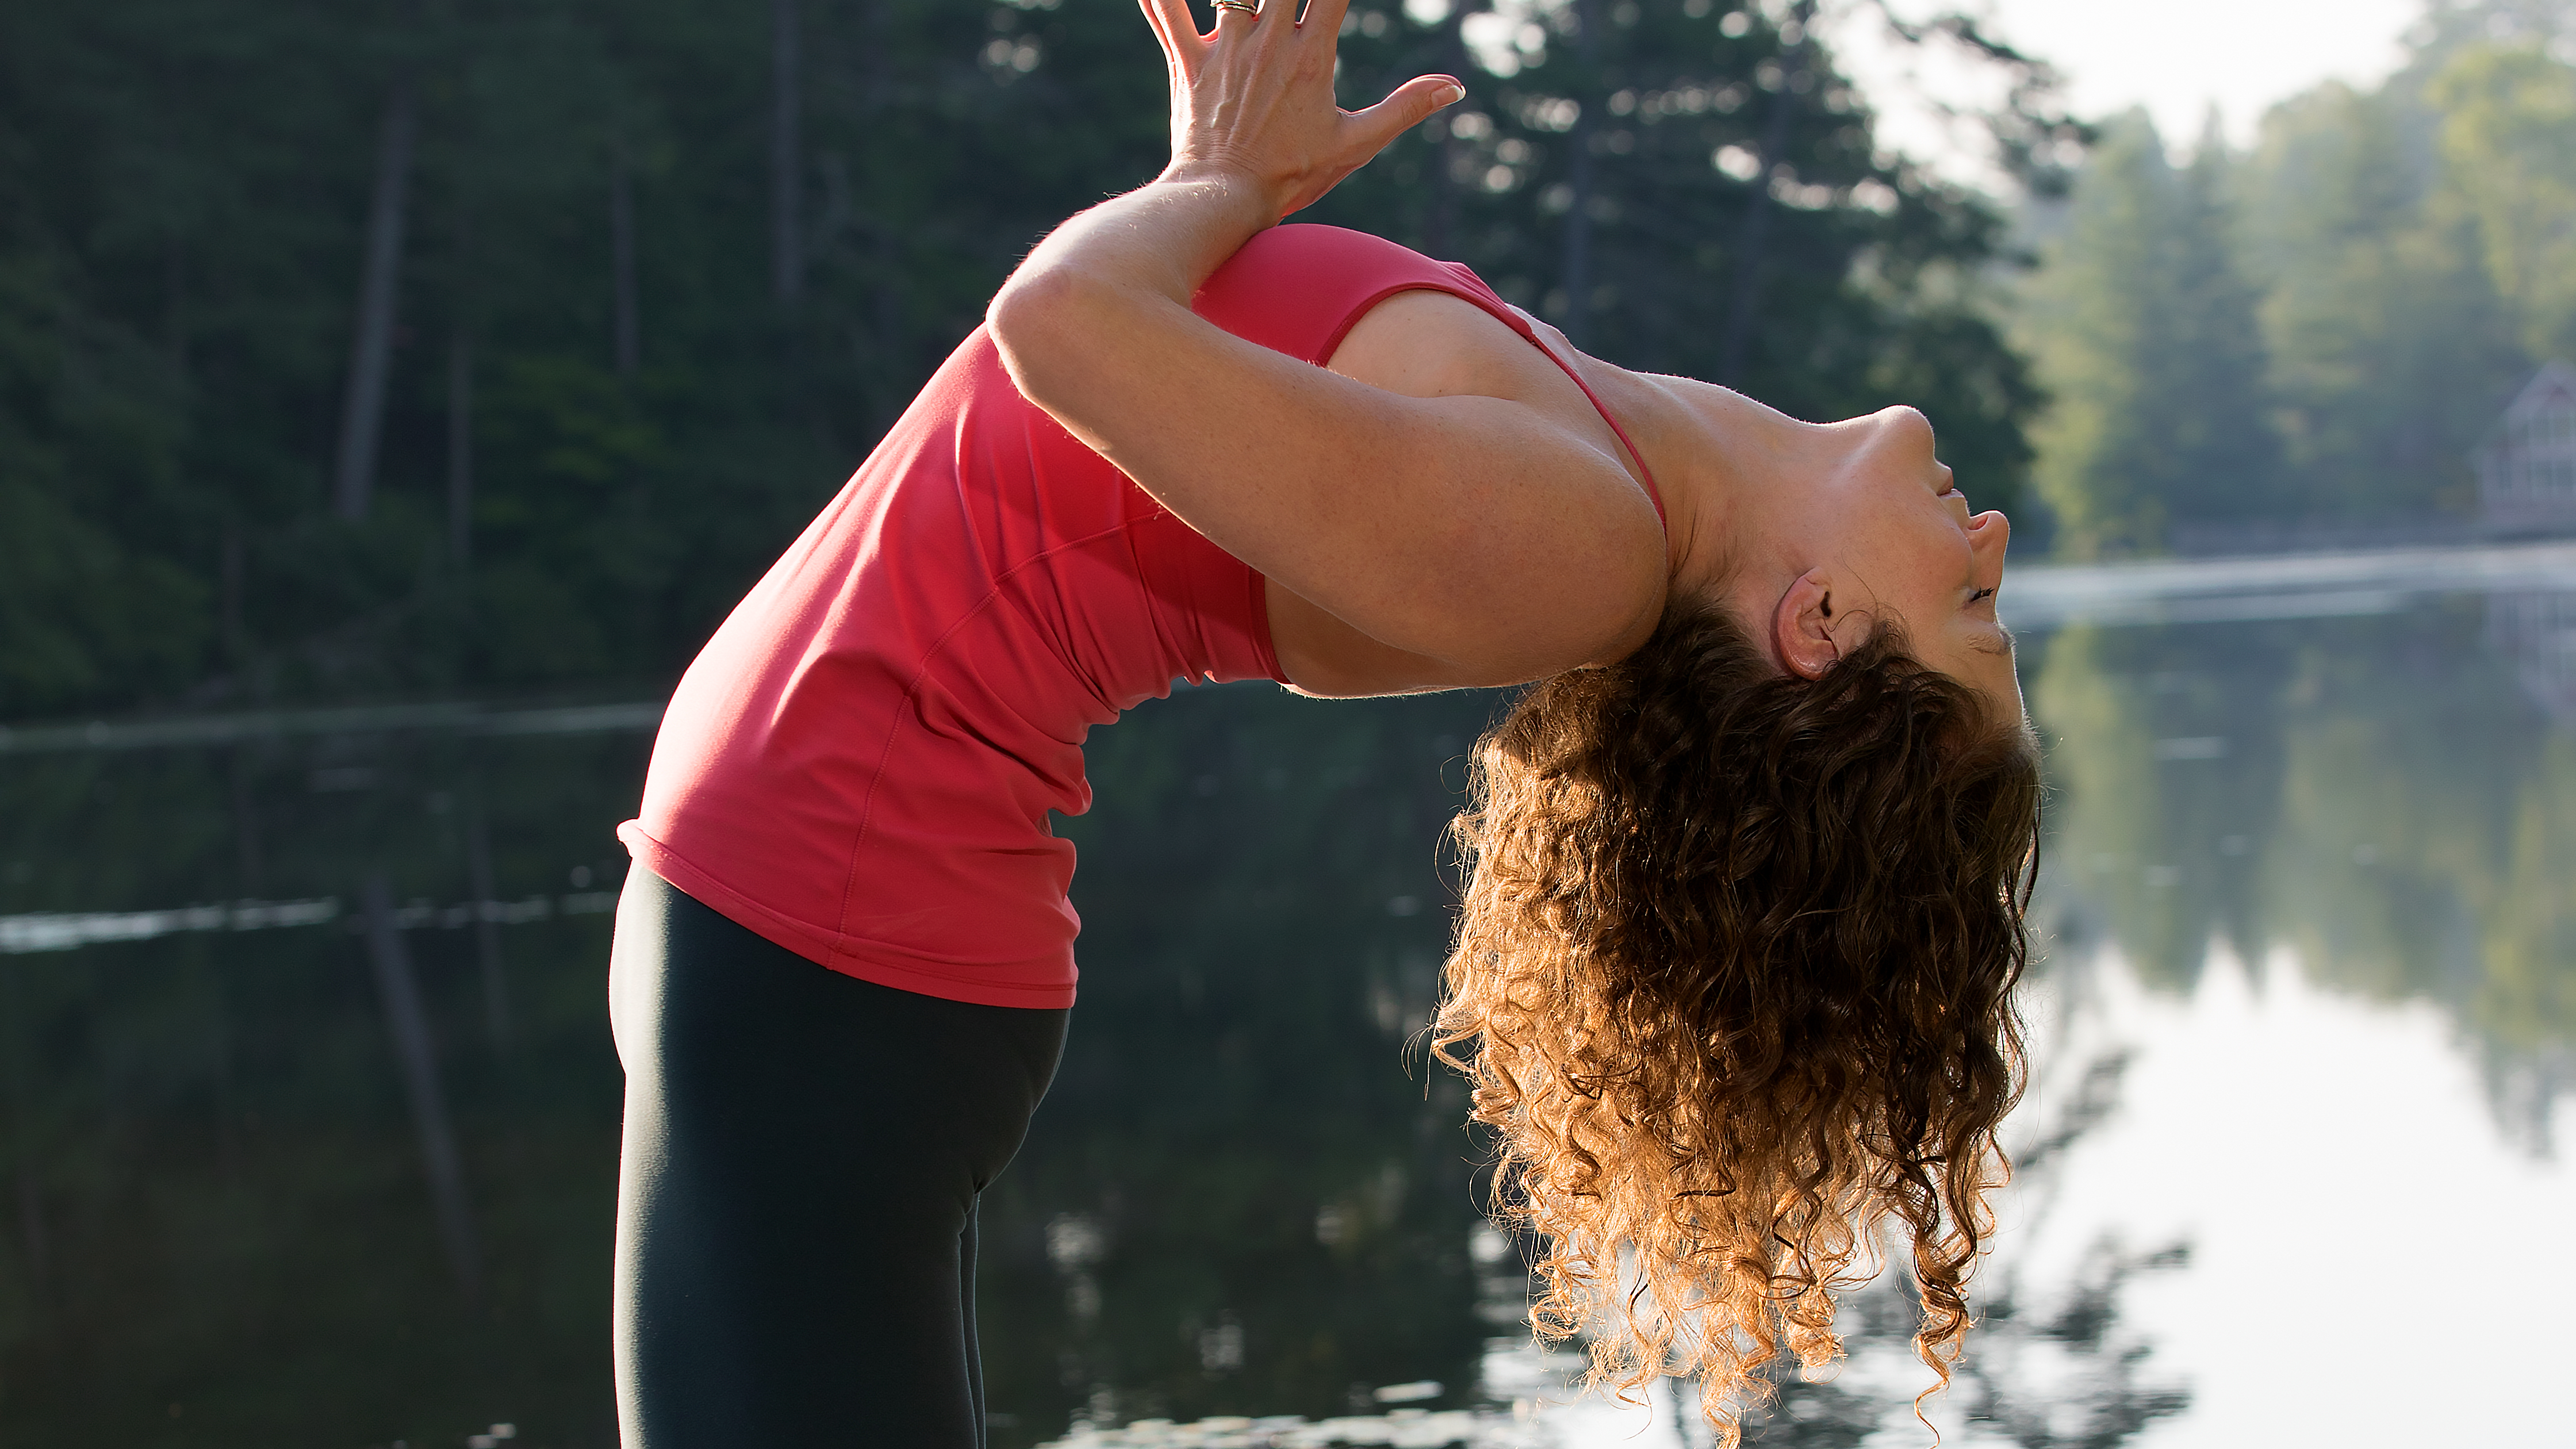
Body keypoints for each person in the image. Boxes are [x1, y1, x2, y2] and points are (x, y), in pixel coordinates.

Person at [605, 0, 2041, 1443]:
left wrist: (1219, 185)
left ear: (1823, 632)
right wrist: (1216, 177)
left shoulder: (1577, 548)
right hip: (831, 901)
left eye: (1974, 618)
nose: (1986, 540)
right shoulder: (1608, 496)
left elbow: (1065, 334)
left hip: (830, 906)